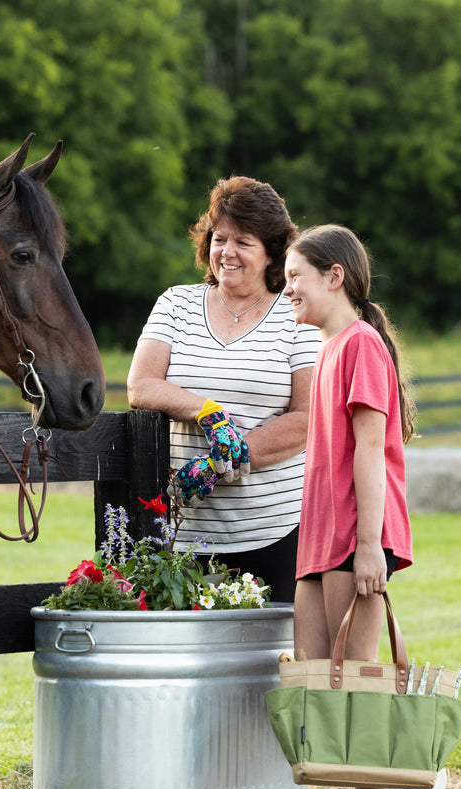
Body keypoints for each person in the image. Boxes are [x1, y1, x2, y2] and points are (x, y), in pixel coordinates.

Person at [281, 224, 438, 789]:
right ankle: (398, 782)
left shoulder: (361, 346)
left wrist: (370, 547)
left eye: (295, 275)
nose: (286, 287)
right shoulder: (326, 352)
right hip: (318, 539)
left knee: (359, 679)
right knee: (323, 683)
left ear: (333, 276)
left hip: (355, 537)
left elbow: (371, 451)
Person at [126, 176, 319, 602]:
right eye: (219, 238)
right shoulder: (175, 303)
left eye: (243, 242)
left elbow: (307, 418)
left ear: (272, 252)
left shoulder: (296, 317)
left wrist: (225, 459)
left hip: (276, 529)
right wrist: (208, 412)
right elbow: (140, 385)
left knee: (277, 661)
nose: (226, 253)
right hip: (186, 535)